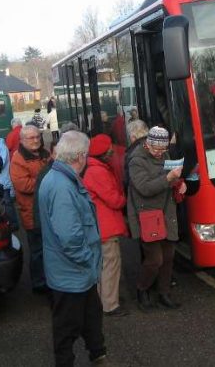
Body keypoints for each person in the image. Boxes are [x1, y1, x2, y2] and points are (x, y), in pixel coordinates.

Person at [38, 131, 106, 366]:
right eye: (86, 154)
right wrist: (88, 259)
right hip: (72, 273)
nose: (87, 158)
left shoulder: (57, 178)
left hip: (74, 273)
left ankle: (98, 353)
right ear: (79, 156)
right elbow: (70, 236)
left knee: (91, 317)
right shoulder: (62, 186)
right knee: (67, 329)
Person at [127, 126, 185, 311]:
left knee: (169, 256)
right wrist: (168, 178)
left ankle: (164, 293)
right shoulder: (136, 160)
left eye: (163, 149)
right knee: (155, 259)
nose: (160, 153)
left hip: (167, 212)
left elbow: (171, 180)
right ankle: (142, 289)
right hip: (148, 215)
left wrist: (180, 184)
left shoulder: (165, 156)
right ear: (148, 144)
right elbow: (144, 188)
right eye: (156, 149)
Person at [82, 134, 129, 317]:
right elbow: (115, 200)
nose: (112, 150)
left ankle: (105, 299)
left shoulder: (93, 169)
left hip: (100, 227)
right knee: (111, 266)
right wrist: (124, 198)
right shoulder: (98, 172)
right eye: (110, 147)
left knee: (103, 266)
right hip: (106, 227)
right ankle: (110, 304)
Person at [10, 124, 51, 293]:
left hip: (48, 210)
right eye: (31, 138)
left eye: (37, 137)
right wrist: (49, 182)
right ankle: (39, 284)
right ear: (22, 140)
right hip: (32, 214)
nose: (35, 140)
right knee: (37, 251)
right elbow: (23, 185)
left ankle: (50, 279)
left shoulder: (45, 154)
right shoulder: (18, 159)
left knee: (49, 249)